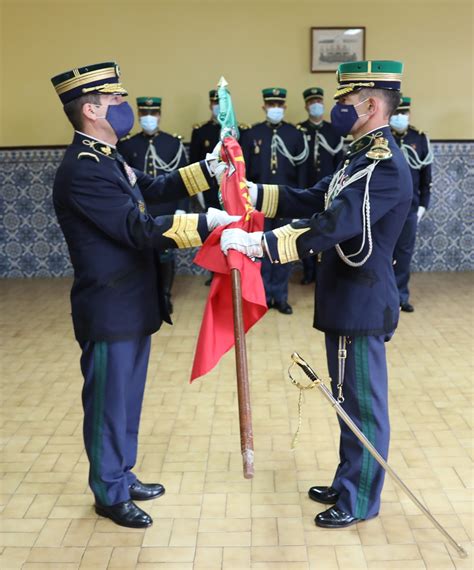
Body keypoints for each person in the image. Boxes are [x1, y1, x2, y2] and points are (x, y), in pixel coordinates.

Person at [221, 60, 413, 528]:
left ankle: (359, 498)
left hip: (361, 299)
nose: (337, 109)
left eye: (345, 101)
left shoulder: (383, 165)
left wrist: (259, 245)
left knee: (363, 405)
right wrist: (251, 193)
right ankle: (348, 478)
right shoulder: (359, 157)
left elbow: (335, 224)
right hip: (347, 296)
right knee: (347, 398)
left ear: (369, 104)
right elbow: (314, 197)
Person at [50, 61, 236, 529]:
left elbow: (152, 188)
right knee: (109, 403)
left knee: (127, 398)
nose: (124, 107)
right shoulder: (83, 169)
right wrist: (205, 225)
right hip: (109, 304)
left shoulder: (108, 157)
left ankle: (121, 473)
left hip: (132, 302)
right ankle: (108, 493)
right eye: (115, 100)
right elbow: (136, 229)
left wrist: (207, 172)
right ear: (91, 109)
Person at [118, 96, 189, 314]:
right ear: (139, 115)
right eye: (145, 113)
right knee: (143, 255)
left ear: (159, 115)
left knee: (166, 254)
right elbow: (123, 181)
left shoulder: (173, 143)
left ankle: (165, 295)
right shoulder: (128, 145)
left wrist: (182, 207)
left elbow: (184, 180)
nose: (149, 117)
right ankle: (149, 296)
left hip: (167, 209)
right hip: (141, 210)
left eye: (154, 113)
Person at [240, 87, 308, 314]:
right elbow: (244, 172)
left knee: (284, 249)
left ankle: (280, 296)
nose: (275, 109)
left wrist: (301, 205)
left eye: (279, 105)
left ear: (285, 107)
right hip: (259, 201)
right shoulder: (252, 134)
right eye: (271, 105)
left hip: (287, 200)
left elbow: (302, 173)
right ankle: (263, 295)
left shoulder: (295, 134)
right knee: (260, 249)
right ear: (264, 107)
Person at [390, 96, 433, 312]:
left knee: (404, 254)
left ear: (409, 114)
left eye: (403, 113)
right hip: (385, 209)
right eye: (396, 113)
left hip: (410, 209)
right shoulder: (381, 139)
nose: (399, 117)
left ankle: (400, 296)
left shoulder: (419, 139)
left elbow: (426, 178)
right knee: (383, 252)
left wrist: (423, 207)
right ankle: (384, 297)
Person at [298, 87, 344, 284]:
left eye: (319, 101)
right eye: (311, 102)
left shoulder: (333, 131)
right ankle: (308, 271)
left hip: (328, 190)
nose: (316, 105)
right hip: (306, 188)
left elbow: (339, 162)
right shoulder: (299, 131)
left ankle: (322, 272)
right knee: (306, 230)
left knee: (325, 230)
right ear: (306, 105)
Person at [189, 90, 222, 210]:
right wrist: (197, 191)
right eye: (215, 102)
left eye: (222, 102)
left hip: (231, 187)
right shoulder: (200, 131)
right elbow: (194, 162)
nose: (218, 106)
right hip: (208, 188)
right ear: (210, 105)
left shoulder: (238, 131)